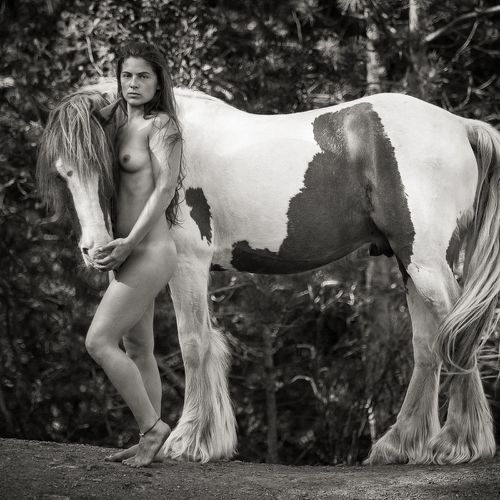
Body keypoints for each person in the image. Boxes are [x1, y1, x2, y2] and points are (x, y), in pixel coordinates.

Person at [85, 41, 183, 468]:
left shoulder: (162, 126)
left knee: (98, 341)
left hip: (149, 250)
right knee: (139, 348)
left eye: (144, 76)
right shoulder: (116, 122)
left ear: (159, 82)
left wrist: (128, 242)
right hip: (124, 253)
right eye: (127, 75)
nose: (134, 83)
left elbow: (164, 189)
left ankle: (153, 427)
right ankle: (149, 439)